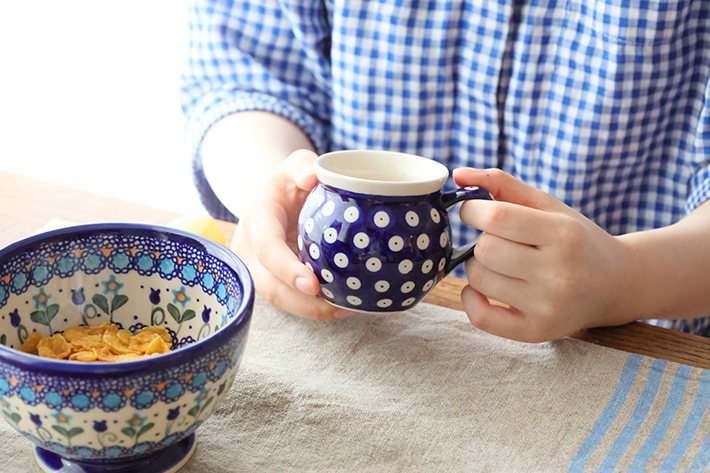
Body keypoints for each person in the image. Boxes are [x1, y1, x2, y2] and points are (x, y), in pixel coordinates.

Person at [179, 0, 710, 342]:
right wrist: (271, 185)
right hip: (368, 341)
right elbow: (247, 71)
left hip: (639, 344)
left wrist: (626, 278)